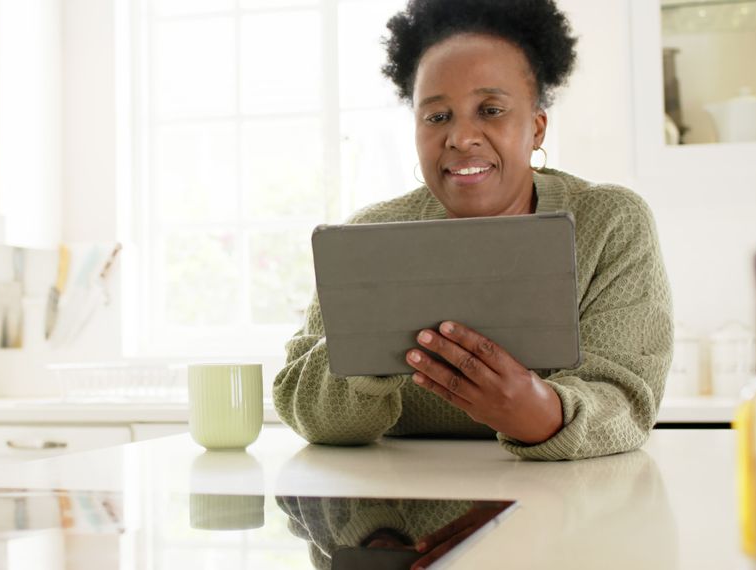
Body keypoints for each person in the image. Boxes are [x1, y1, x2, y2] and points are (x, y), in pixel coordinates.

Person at [273, 0, 673, 460]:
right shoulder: (370, 234)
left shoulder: (609, 222)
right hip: (398, 508)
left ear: (537, 127)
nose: (461, 137)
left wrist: (541, 413)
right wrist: (369, 345)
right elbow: (303, 409)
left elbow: (627, 402)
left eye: (490, 109)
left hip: (563, 506)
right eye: (437, 117)